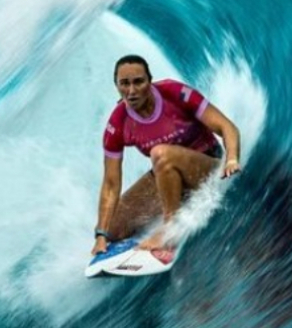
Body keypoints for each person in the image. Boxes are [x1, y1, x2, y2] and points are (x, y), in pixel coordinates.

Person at [91, 54, 241, 254]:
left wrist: (231, 158)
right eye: (124, 84)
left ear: (150, 81)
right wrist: (101, 235)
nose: (132, 90)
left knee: (160, 153)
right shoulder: (118, 123)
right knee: (113, 229)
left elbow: (226, 126)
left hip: (206, 168)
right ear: (117, 86)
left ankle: (171, 227)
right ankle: (169, 209)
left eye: (138, 82)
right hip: (167, 176)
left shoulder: (175, 93)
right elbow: (110, 184)